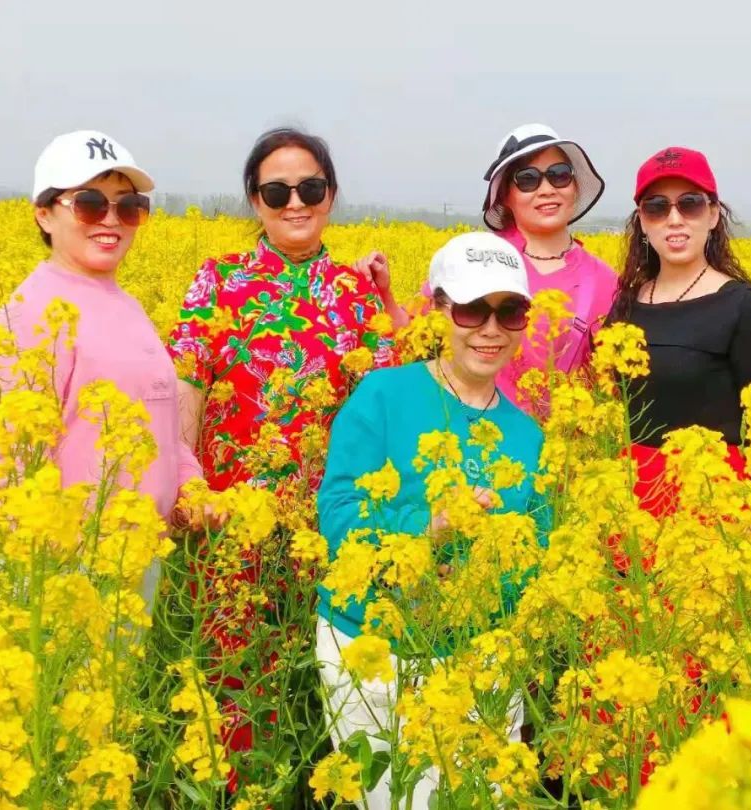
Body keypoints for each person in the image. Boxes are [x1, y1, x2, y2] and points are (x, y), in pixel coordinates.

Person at [316, 232, 544, 810]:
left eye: (510, 311)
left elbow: (535, 555)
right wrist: (430, 525)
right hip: (371, 643)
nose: (490, 329)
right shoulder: (383, 394)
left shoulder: (529, 437)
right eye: (472, 309)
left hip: (477, 655)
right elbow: (339, 518)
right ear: (440, 309)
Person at [0, 129, 203, 603]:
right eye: (90, 203)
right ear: (44, 214)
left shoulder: (127, 306)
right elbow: (15, 458)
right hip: (67, 566)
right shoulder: (33, 311)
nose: (111, 219)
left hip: (134, 556)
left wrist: (189, 487)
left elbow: (161, 419)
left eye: (128, 206)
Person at [168, 127, 392, 496]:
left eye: (311, 189)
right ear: (256, 201)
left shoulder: (356, 291)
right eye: (276, 193)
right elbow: (186, 383)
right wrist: (186, 485)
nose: (296, 204)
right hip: (224, 513)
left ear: (330, 196)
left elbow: (380, 405)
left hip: (326, 515)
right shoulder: (219, 279)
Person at [359, 123, 618, 412]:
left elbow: (611, 384)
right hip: (469, 439)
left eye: (559, 176)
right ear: (506, 195)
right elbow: (412, 335)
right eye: (528, 179)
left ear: (575, 186)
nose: (547, 190)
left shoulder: (605, 281)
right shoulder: (472, 256)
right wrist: (383, 293)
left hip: (561, 448)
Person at [606, 146, 751, 513]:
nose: (674, 218)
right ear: (642, 220)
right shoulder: (625, 304)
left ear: (713, 214)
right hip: (634, 496)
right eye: (656, 207)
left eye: (690, 203)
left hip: (715, 499)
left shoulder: (739, 306)